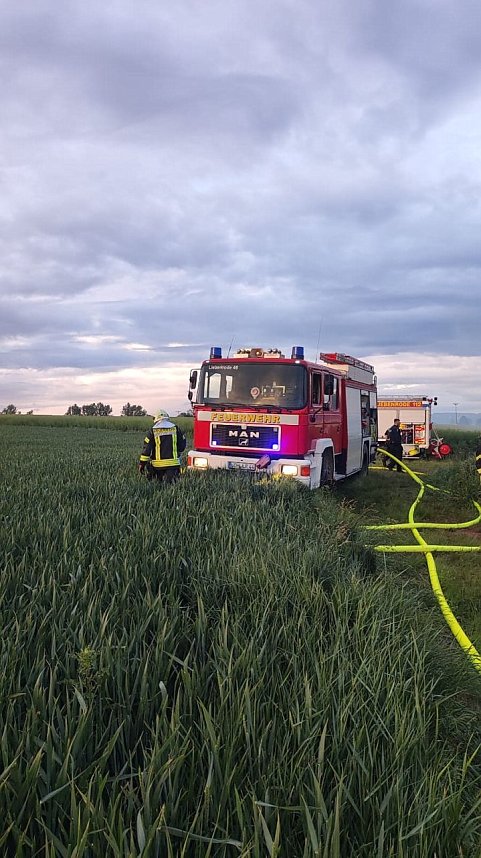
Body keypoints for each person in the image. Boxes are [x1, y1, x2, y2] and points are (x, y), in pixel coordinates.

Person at [138, 409, 186, 483]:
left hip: (157, 467)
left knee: (158, 485)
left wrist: (142, 464)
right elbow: (182, 446)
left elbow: (146, 450)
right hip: (173, 465)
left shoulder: (153, 431)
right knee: (171, 486)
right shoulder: (176, 429)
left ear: (156, 419)